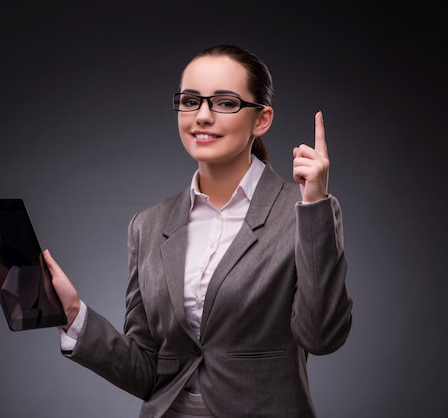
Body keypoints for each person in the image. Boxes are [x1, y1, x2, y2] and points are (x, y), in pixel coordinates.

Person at [43, 44, 353, 417]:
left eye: (225, 103)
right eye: (190, 101)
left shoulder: (303, 211)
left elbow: (322, 337)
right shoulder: (149, 225)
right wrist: (74, 314)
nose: (202, 116)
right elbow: (147, 371)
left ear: (262, 119)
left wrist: (316, 205)